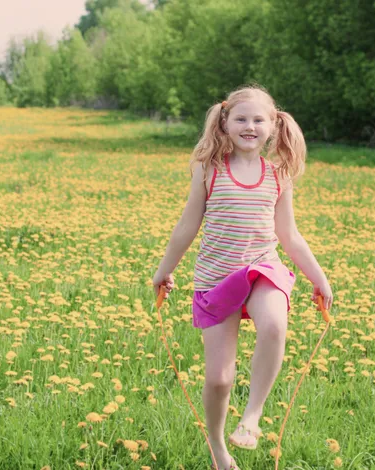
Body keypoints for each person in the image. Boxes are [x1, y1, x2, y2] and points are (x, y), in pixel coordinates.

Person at [152, 85, 333, 470]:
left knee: (273, 324)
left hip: (262, 269)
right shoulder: (209, 170)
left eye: (258, 120)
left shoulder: (277, 174)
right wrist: (164, 270)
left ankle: (252, 417)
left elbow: (290, 236)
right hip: (216, 277)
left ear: (272, 126)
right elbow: (188, 225)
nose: (249, 126)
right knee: (219, 379)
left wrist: (319, 278)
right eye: (241, 119)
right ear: (224, 122)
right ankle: (218, 445)